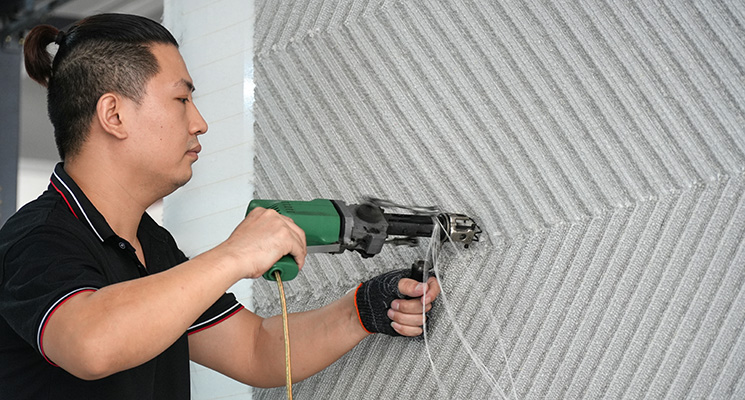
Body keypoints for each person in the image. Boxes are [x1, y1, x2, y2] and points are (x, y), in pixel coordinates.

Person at [0, 13, 440, 399]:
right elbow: (91, 344)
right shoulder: (39, 238)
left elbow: (256, 349)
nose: (200, 122)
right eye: (181, 99)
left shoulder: (152, 246)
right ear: (114, 115)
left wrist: (363, 308)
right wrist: (234, 255)